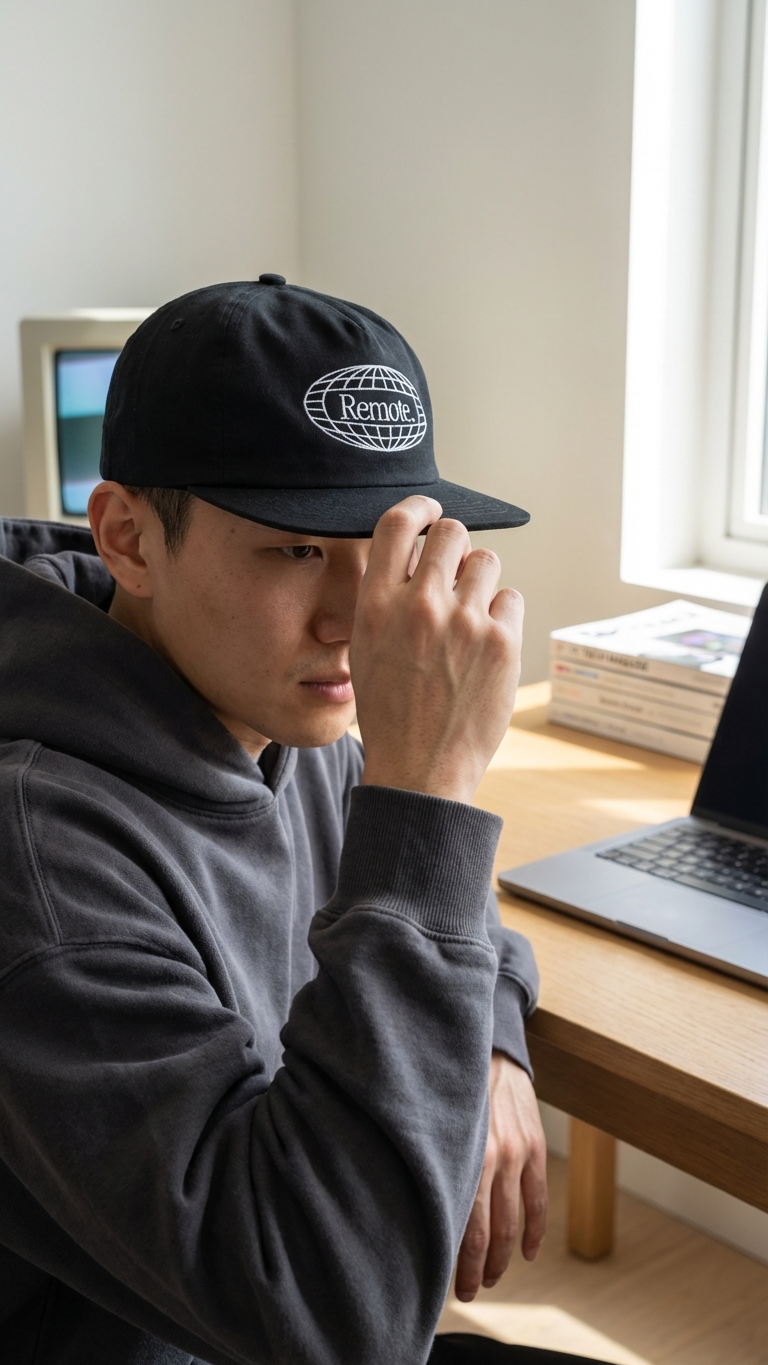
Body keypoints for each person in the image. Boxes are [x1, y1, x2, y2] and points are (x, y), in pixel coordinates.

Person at [0, 278, 605, 1365]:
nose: (355, 616)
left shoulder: (259, 700)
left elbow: (431, 893)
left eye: (386, 549)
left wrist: (496, 1043)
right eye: (293, 549)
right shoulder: (38, 857)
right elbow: (335, 1324)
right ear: (129, 539)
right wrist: (426, 786)